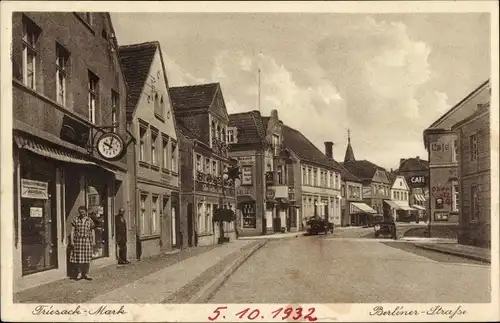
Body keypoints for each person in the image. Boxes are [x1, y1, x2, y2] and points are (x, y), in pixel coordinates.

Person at [70, 206, 95, 281]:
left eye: (83, 212)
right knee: (78, 258)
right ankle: (79, 273)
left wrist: (93, 240)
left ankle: (86, 273)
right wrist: (71, 241)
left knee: (87, 258)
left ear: (86, 212)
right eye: (80, 212)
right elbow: (72, 231)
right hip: (78, 241)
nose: (82, 214)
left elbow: (92, 231)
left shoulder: (89, 220)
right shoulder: (76, 220)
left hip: (87, 240)